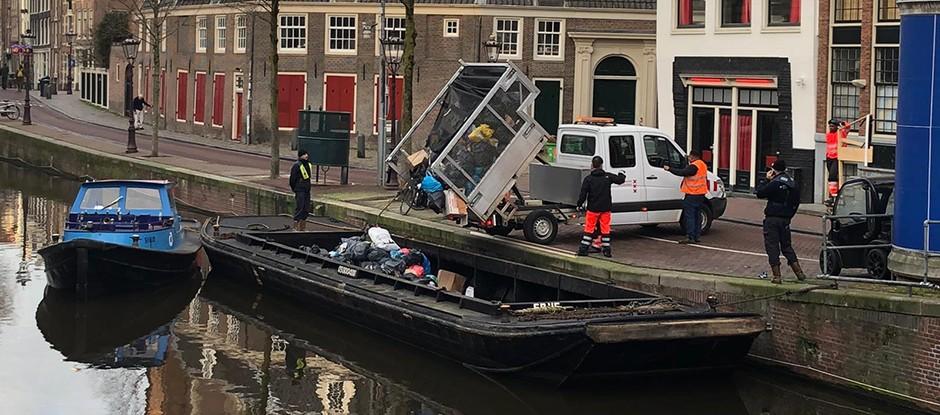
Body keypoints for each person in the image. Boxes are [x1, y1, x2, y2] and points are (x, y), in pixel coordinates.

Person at [756, 159, 806, 284]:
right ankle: (799, 273)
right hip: (785, 220)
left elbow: (760, 193)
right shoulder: (793, 183)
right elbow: (796, 202)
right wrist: (789, 216)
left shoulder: (774, 183)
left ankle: (777, 276)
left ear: (773, 170)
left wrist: (766, 179)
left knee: (772, 246)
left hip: (772, 219)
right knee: (787, 246)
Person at [576, 156, 626, 257]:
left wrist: (579, 204)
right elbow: (620, 180)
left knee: (589, 229)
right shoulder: (607, 177)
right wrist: (622, 173)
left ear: (592, 165)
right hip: (605, 208)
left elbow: (583, 194)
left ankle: (583, 249)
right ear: (601, 165)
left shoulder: (588, 179)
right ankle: (607, 250)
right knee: (605, 229)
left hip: (593, 209)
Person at [664, 150, 709, 244]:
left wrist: (669, 169)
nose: (688, 158)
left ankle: (690, 237)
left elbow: (682, 172)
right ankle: (696, 236)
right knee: (697, 215)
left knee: (690, 216)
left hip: (692, 194)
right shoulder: (702, 164)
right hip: (701, 194)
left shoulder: (694, 166)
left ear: (693, 157)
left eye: (689, 157)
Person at [825, 119, 849, 200]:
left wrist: (842, 123)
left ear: (836, 127)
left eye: (832, 126)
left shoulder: (840, 133)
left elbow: (847, 127)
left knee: (832, 176)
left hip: (837, 157)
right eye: (830, 126)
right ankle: (833, 194)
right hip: (829, 157)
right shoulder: (828, 135)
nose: (830, 127)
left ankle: (834, 195)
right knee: (832, 177)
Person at [289, 149, 313, 231]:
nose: (306, 155)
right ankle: (295, 226)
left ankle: (302, 227)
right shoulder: (297, 165)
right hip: (300, 189)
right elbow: (292, 179)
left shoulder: (308, 164)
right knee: (300, 206)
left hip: (307, 189)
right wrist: (295, 188)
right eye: (304, 154)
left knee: (306, 208)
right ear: (300, 156)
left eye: (306, 154)